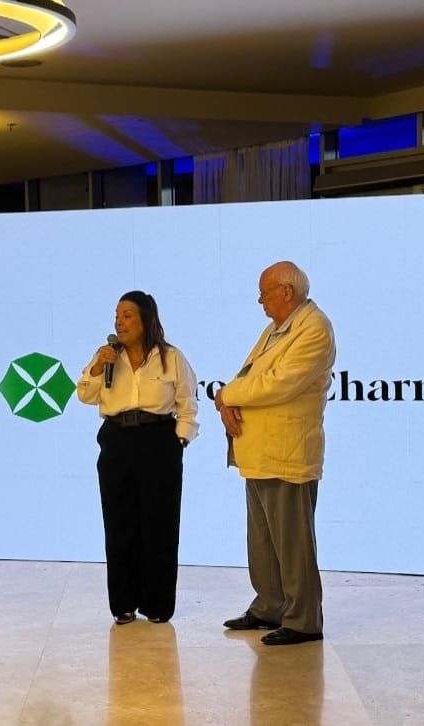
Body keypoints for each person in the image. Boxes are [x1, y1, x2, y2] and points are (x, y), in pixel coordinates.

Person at [215, 261, 335, 646]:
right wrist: (227, 403)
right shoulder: (275, 329)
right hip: (258, 451)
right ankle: (270, 606)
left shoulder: (314, 328)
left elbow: (280, 383)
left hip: (287, 453)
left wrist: (227, 395)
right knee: (263, 541)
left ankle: (303, 621)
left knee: (292, 543)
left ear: (286, 291)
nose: (260, 301)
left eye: (264, 293)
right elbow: (250, 377)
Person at [77, 291, 199, 625]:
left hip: (158, 440)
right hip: (116, 440)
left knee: (159, 524)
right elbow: (85, 394)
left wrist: (180, 439)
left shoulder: (171, 357)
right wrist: (98, 366)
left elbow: (188, 402)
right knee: (119, 523)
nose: (119, 322)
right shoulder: (106, 356)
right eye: (117, 315)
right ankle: (123, 603)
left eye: (127, 315)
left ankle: (158, 604)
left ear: (146, 320)